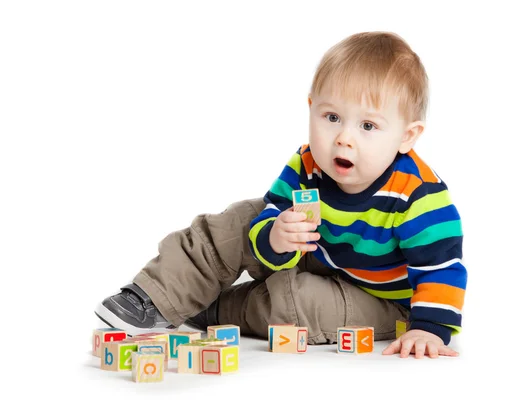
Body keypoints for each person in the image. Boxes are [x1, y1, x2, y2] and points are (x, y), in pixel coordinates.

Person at [95, 31, 467, 359]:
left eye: (368, 125)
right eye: (332, 117)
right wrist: (274, 234)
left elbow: (441, 269)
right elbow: (269, 217)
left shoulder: (418, 195)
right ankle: (157, 294)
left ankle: (216, 310)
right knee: (241, 220)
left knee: (299, 302)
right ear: (311, 109)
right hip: (323, 255)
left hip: (383, 300)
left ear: (407, 136)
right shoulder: (308, 164)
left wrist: (429, 328)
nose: (344, 137)